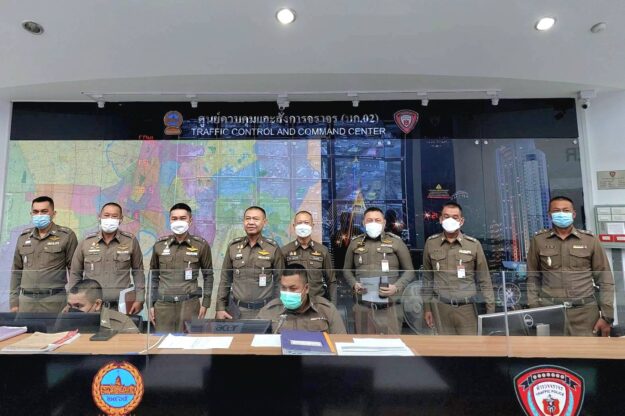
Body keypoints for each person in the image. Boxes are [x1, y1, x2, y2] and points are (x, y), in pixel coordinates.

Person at [527, 196, 615, 337]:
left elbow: (605, 280)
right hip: (550, 311)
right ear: (549, 215)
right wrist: (535, 309)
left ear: (573, 214)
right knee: (551, 351)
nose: (561, 214)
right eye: (556, 211)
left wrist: (606, 316)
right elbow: (532, 278)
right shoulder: (539, 241)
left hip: (585, 313)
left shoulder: (590, 240)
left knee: (588, 351)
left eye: (566, 210)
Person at [422, 202, 495, 335]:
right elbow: (427, 278)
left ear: (461, 221)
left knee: (470, 347)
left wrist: (490, 311)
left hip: (467, 309)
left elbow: (484, 280)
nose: (450, 220)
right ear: (440, 219)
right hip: (440, 308)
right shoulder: (431, 243)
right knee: (444, 347)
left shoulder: (473, 245)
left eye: (455, 217)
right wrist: (427, 308)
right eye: (446, 216)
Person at [343, 207, 415, 334]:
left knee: (391, 345)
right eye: (369, 220)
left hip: (390, 308)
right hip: (363, 307)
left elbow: (410, 271)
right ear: (363, 223)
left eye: (377, 220)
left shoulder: (396, 242)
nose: (373, 223)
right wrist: (354, 284)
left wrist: (396, 287)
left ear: (384, 222)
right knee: (363, 344)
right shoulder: (355, 243)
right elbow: (346, 270)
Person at [69, 202, 145, 314]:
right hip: (92, 307)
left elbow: (138, 272)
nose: (110, 219)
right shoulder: (86, 242)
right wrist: (72, 301)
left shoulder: (130, 241)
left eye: (114, 216)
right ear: (99, 217)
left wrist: (139, 299)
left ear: (121, 219)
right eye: (106, 215)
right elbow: (75, 273)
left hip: (120, 307)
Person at [149, 203, 213, 333]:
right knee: (163, 343)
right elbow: (153, 276)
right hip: (163, 306)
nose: (178, 222)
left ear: (190, 220)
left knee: (189, 343)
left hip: (189, 305)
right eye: (174, 218)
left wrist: (205, 303)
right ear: (170, 220)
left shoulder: (201, 245)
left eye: (183, 218)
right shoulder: (160, 245)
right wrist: (150, 304)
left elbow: (208, 276)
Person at [10, 196, 78, 313]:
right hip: (26, 302)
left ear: (53, 213)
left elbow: (74, 271)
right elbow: (16, 271)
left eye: (44, 211)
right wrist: (14, 302)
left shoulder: (66, 236)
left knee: (54, 327)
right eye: (36, 212)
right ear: (31, 214)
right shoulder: (23, 237)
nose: (39, 215)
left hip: (54, 301)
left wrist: (72, 301)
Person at [216, 206, 285, 319]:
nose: (251, 222)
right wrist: (220, 307)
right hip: (236, 311)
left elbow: (280, 282)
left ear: (264, 222)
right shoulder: (233, 247)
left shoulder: (273, 248)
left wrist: (277, 309)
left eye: (256, 219)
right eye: (248, 218)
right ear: (244, 221)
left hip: (265, 311)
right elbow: (225, 279)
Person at [257, 264, 346, 334]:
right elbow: (254, 344)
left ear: (306, 288)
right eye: (283, 288)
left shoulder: (326, 310)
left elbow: (341, 343)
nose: (287, 293)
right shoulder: (269, 311)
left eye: (293, 288)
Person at [281, 210, 337, 303]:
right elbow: (279, 280)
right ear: (294, 226)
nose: (303, 226)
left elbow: (331, 281)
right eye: (299, 223)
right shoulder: (285, 251)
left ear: (312, 225)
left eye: (306, 222)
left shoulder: (322, 250)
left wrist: (333, 305)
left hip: (317, 302)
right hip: (294, 302)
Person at [66, 279, 139, 333]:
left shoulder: (122, 324)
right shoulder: (64, 321)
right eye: (70, 306)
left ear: (97, 304)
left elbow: (135, 348)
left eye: (78, 306)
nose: (72, 311)